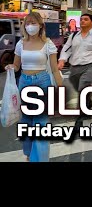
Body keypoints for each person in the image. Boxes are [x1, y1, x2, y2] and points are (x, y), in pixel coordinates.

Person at [6, 12, 63, 162]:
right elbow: (17, 65)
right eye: (28, 23)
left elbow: (55, 69)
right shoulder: (20, 43)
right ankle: (29, 153)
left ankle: (40, 159)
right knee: (25, 121)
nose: (30, 26)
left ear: (40, 25)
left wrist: (60, 90)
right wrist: (11, 66)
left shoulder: (48, 44)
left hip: (42, 82)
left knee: (41, 123)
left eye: (33, 23)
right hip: (24, 82)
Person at [58, 13, 92, 132]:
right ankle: (88, 103)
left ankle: (81, 117)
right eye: (81, 19)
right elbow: (66, 49)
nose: (82, 21)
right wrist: (62, 60)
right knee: (75, 83)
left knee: (83, 87)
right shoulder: (74, 36)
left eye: (86, 19)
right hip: (75, 66)